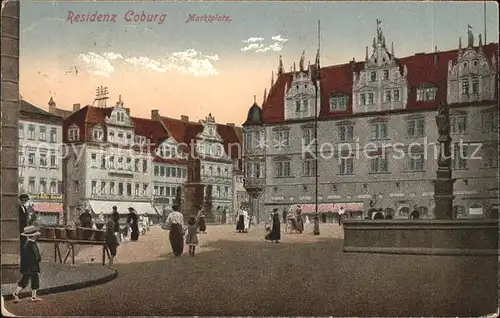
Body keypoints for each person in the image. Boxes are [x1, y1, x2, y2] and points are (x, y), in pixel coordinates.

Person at [13, 225, 43, 303]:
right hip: (32, 267)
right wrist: (39, 258)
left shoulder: (26, 244)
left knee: (25, 281)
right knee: (34, 281)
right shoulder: (33, 245)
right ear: (33, 236)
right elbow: (37, 257)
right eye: (36, 235)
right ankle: (18, 293)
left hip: (26, 267)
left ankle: (18, 293)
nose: (37, 236)